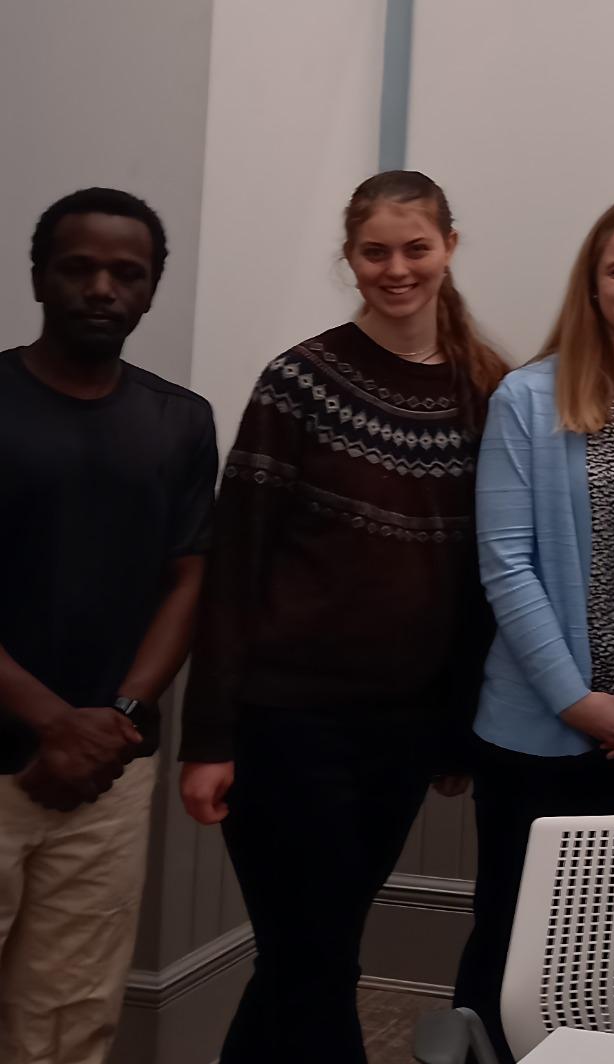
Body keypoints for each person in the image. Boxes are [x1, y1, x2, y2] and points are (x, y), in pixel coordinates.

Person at [179, 170, 508, 1064]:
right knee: (317, 964)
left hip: (401, 733)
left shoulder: (489, 392)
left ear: (449, 246)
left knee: (303, 960)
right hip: (287, 725)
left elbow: (483, 581)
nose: (395, 269)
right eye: (374, 252)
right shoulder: (299, 382)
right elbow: (235, 566)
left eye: (416, 248)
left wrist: (452, 736)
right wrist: (207, 737)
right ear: (350, 257)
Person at [451, 199, 614, 1059]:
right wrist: (574, 699)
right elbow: (506, 562)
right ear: (593, 286)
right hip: (540, 730)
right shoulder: (528, 398)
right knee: (511, 945)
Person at [0, 189, 215, 1064]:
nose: (101, 288)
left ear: (153, 289)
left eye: (127, 274)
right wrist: (55, 722)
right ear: (39, 277)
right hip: (10, 754)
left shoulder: (180, 420)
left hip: (110, 777)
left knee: (67, 1018)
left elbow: (191, 576)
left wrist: (118, 718)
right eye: (78, 268)